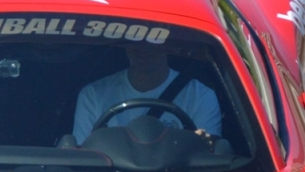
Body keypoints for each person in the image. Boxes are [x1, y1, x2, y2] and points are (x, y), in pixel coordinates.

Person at [72, 44, 222, 144]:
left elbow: (209, 157)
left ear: (168, 44)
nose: (141, 47)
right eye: (134, 38)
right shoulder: (93, 95)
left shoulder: (200, 96)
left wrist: (202, 144)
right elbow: (83, 155)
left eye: (152, 40)